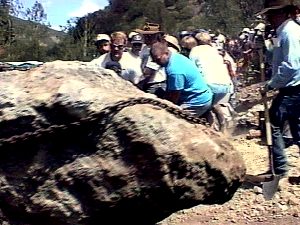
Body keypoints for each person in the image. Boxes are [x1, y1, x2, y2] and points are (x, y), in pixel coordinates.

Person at [258, 0, 300, 176]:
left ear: (282, 13)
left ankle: (280, 168)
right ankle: (279, 168)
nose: (268, 18)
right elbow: (278, 57)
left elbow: (291, 65)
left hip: (293, 90)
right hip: (293, 90)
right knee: (297, 129)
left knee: (272, 124)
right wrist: (265, 52)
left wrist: (271, 84)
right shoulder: (284, 32)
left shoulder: (290, 32)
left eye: (271, 14)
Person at [150, 41, 213, 117]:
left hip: (196, 101)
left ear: (166, 53)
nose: (157, 63)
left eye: (158, 59)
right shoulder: (175, 57)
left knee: (173, 119)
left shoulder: (174, 70)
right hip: (194, 95)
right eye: (154, 61)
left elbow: (174, 98)